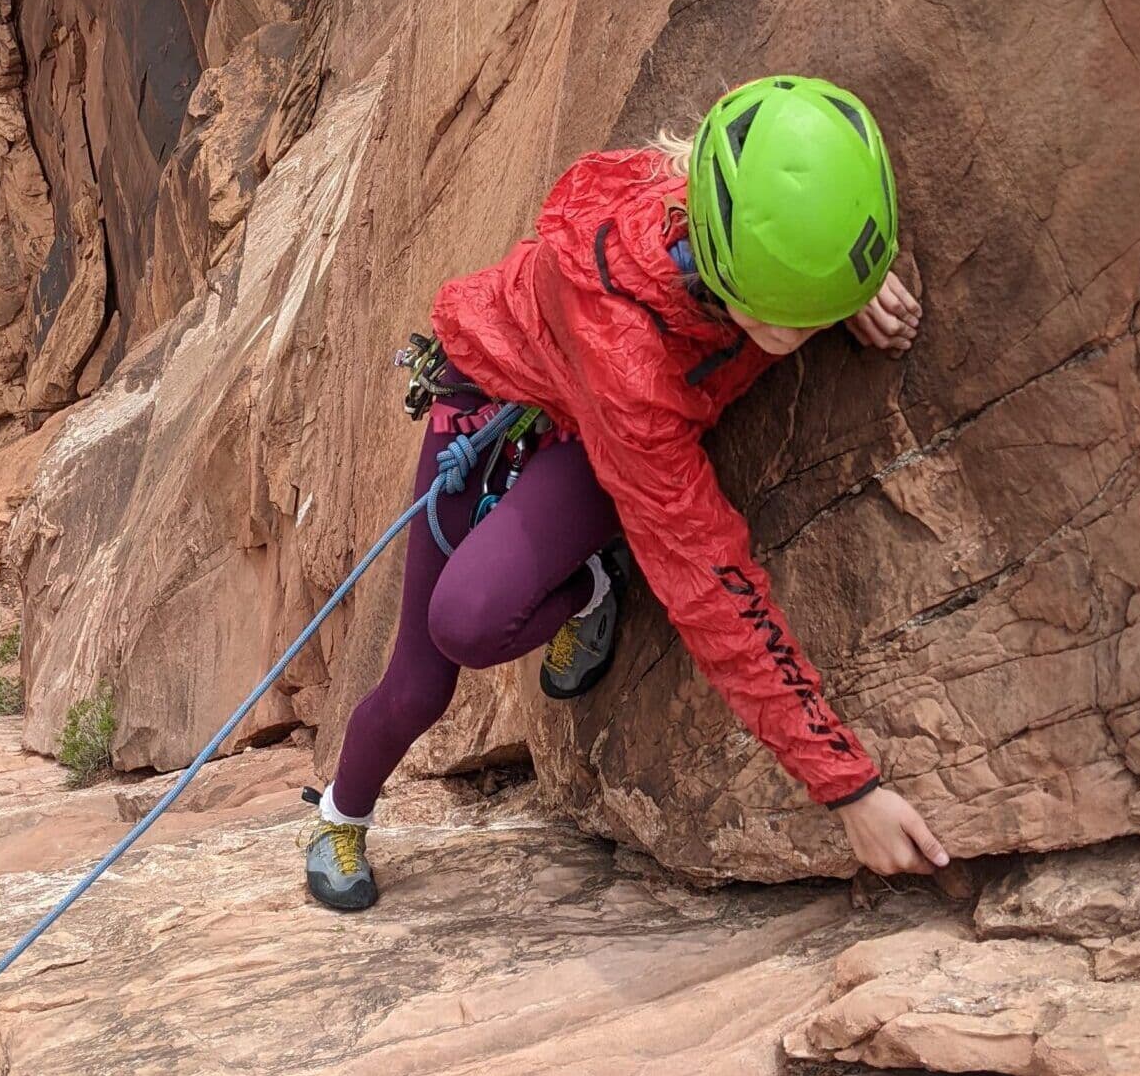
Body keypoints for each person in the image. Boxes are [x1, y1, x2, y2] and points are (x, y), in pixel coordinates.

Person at [302, 75, 949, 911]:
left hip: (587, 434)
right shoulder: (633, 361)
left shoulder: (737, 194)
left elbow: (799, 176)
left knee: (477, 603)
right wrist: (848, 787)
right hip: (496, 403)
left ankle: (595, 575)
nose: (813, 331)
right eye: (800, 320)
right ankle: (341, 814)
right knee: (440, 652)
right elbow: (708, 578)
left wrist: (846, 280)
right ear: (729, 273)